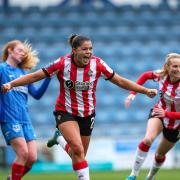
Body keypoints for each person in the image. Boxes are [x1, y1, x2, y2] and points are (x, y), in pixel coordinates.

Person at [1, 35, 157, 180]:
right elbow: (35, 76)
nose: (88, 52)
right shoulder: (62, 63)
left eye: (90, 49)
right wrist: (11, 84)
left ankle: (59, 140)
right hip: (65, 112)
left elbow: (120, 81)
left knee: (79, 154)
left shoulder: (98, 64)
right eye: (84, 49)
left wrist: (145, 91)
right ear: (74, 50)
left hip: (88, 114)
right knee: (77, 149)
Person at [0, 40, 51, 180]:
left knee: (32, 158)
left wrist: (47, 78)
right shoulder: (2, 69)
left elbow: (37, 95)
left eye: (24, 52)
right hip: (9, 118)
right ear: (10, 50)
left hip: (25, 120)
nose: (23, 54)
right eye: (20, 50)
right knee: (22, 153)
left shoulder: (23, 72)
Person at [125, 53, 180, 180]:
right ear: (167, 67)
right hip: (159, 113)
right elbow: (145, 75)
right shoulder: (161, 75)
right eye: (175, 66)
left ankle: (150, 176)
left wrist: (166, 114)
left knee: (160, 155)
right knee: (147, 140)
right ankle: (133, 175)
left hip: (176, 124)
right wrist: (133, 93)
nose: (178, 69)